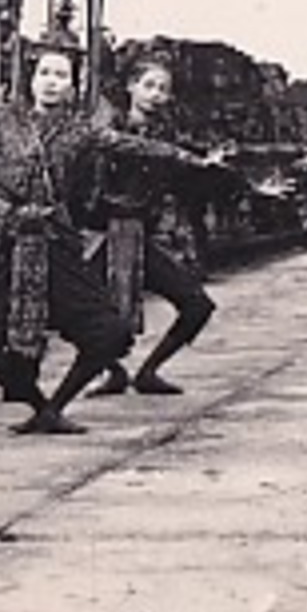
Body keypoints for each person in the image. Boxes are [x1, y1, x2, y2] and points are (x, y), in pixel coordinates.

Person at [0, 40, 222, 435]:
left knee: (110, 333)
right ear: (31, 80)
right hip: (6, 239)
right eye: (45, 74)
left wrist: (197, 161)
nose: (52, 83)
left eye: (61, 76)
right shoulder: (2, 119)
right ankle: (38, 406)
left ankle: (56, 406)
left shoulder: (81, 130)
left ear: (73, 85)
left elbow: (142, 147)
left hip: (56, 240)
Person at [82, 58, 225, 397]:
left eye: (163, 89)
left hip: (144, 237)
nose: (155, 95)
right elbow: (109, 142)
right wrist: (178, 155)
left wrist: (208, 168)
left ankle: (148, 371)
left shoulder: (168, 133)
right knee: (80, 313)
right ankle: (112, 370)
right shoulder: (110, 122)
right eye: (148, 85)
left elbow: (184, 177)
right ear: (131, 87)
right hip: (102, 235)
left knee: (197, 306)